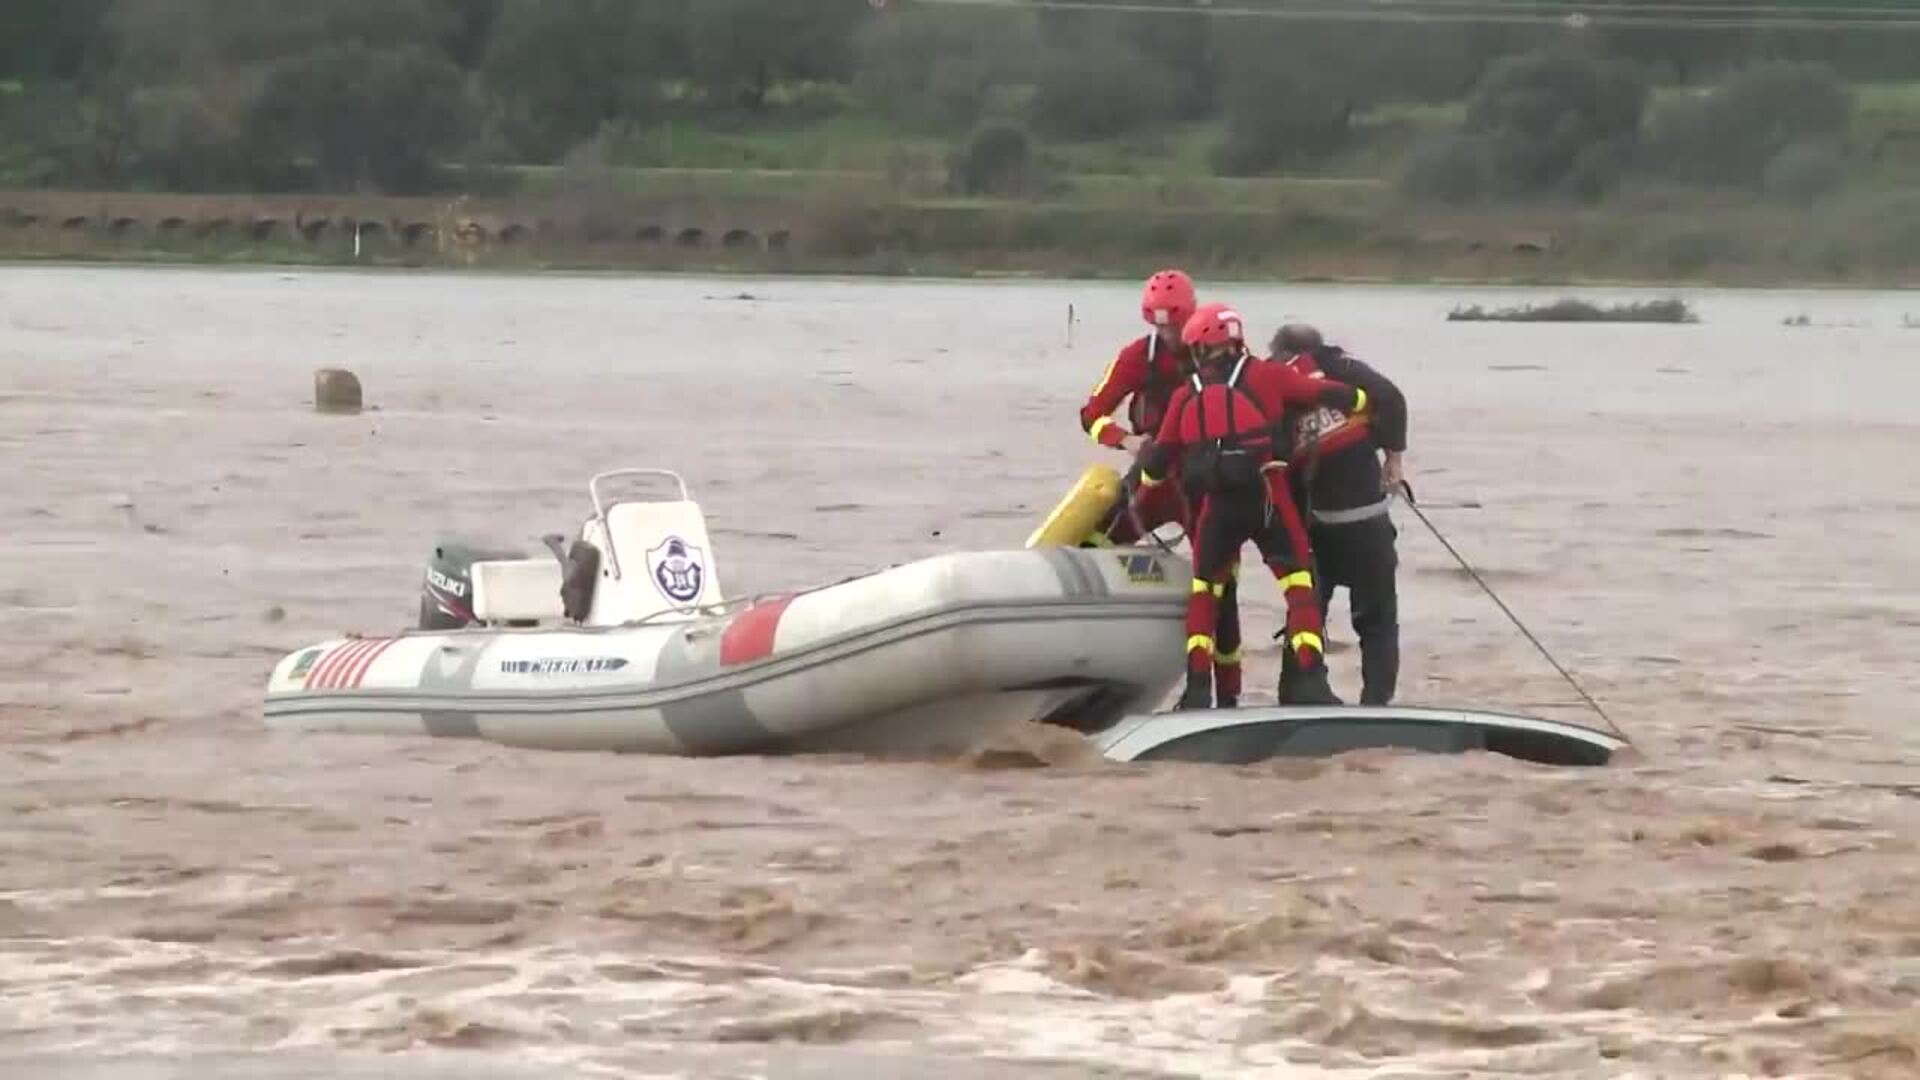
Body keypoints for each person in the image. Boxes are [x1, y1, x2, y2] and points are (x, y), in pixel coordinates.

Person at [1140, 304, 1368, 709]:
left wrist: (1145, 485)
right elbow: (1330, 394)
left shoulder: (1183, 394)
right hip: (1269, 499)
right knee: (1299, 587)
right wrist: (1363, 399)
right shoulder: (1269, 375)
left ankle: (1196, 691)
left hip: (1216, 510)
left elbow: (1156, 466)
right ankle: (1311, 679)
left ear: (1198, 347)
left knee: (1204, 592)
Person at [1271, 323, 1408, 706]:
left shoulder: (1272, 381)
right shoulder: (1341, 368)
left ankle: (1296, 694)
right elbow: (1392, 398)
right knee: (1378, 620)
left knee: (1305, 612)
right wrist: (1393, 458)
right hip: (1367, 522)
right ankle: (1376, 703)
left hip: (1315, 530)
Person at [1076, 269, 1199, 548]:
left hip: (1202, 478)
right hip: (1151, 474)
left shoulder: (1219, 352)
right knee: (1095, 542)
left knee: (1218, 564)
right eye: (1161, 327)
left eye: (1176, 326)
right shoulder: (1137, 357)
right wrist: (1125, 440)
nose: (1168, 334)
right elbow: (1091, 416)